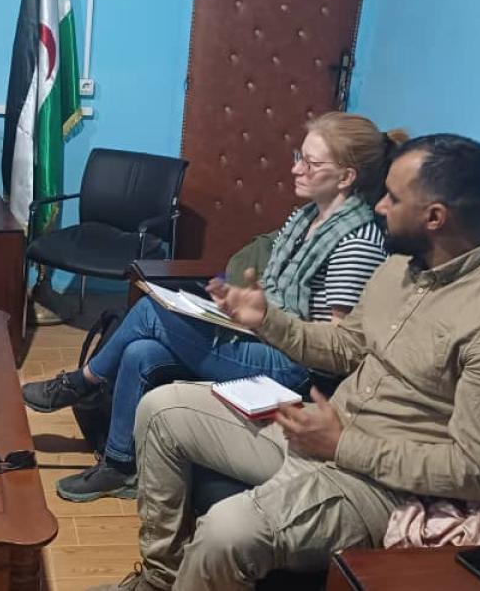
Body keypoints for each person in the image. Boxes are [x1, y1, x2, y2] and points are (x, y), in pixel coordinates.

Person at [98, 134, 480, 591]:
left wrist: (344, 445)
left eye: (392, 198)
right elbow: (345, 346)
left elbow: (479, 473)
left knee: (227, 530)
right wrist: (268, 321)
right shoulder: (400, 269)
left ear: (434, 217)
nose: (378, 207)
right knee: (161, 409)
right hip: (321, 432)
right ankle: (161, 579)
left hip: (382, 487)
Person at [22, 112, 405, 503]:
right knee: (141, 351)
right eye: (298, 156)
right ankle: (120, 466)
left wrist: (268, 320)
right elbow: (275, 291)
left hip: (294, 366)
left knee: (151, 312)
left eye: (310, 163)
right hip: (261, 336)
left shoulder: (357, 244)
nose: (295, 169)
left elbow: (338, 347)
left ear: (346, 177)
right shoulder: (306, 218)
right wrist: (240, 309)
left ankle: (82, 382)